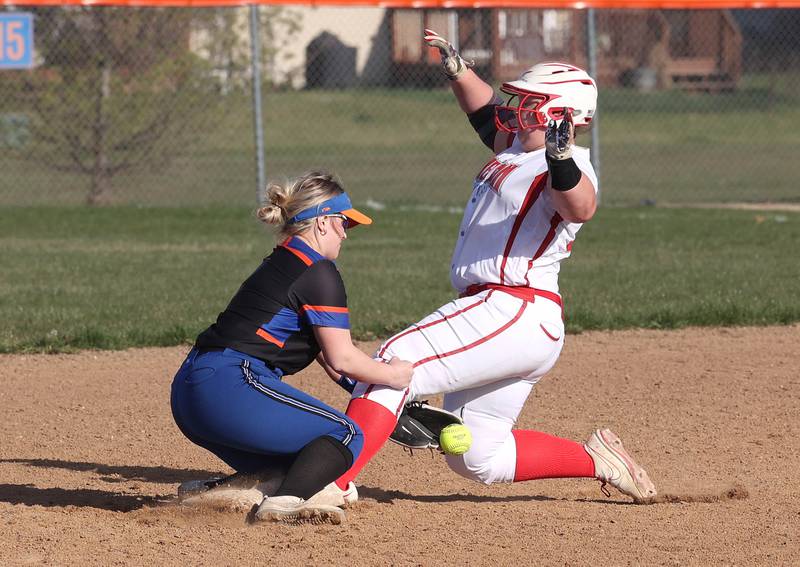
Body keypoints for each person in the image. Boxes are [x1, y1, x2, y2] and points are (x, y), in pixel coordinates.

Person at [326, 30, 657, 503]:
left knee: (392, 363)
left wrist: (561, 157)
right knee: (477, 456)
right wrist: (457, 69)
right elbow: (484, 116)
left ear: (560, 114)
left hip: (514, 305)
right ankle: (597, 459)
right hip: (511, 316)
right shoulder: (518, 148)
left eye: (530, 101)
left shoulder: (569, 163)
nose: (516, 106)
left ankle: (328, 483)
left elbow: (581, 206)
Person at [170, 172, 413, 524]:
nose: (346, 233)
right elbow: (343, 358)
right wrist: (397, 375)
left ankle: (213, 493)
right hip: (229, 386)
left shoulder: (282, 262)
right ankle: (282, 506)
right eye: (343, 223)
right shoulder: (319, 271)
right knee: (345, 435)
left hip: (191, 393)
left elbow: (330, 361)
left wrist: (389, 402)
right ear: (323, 222)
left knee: (304, 466)